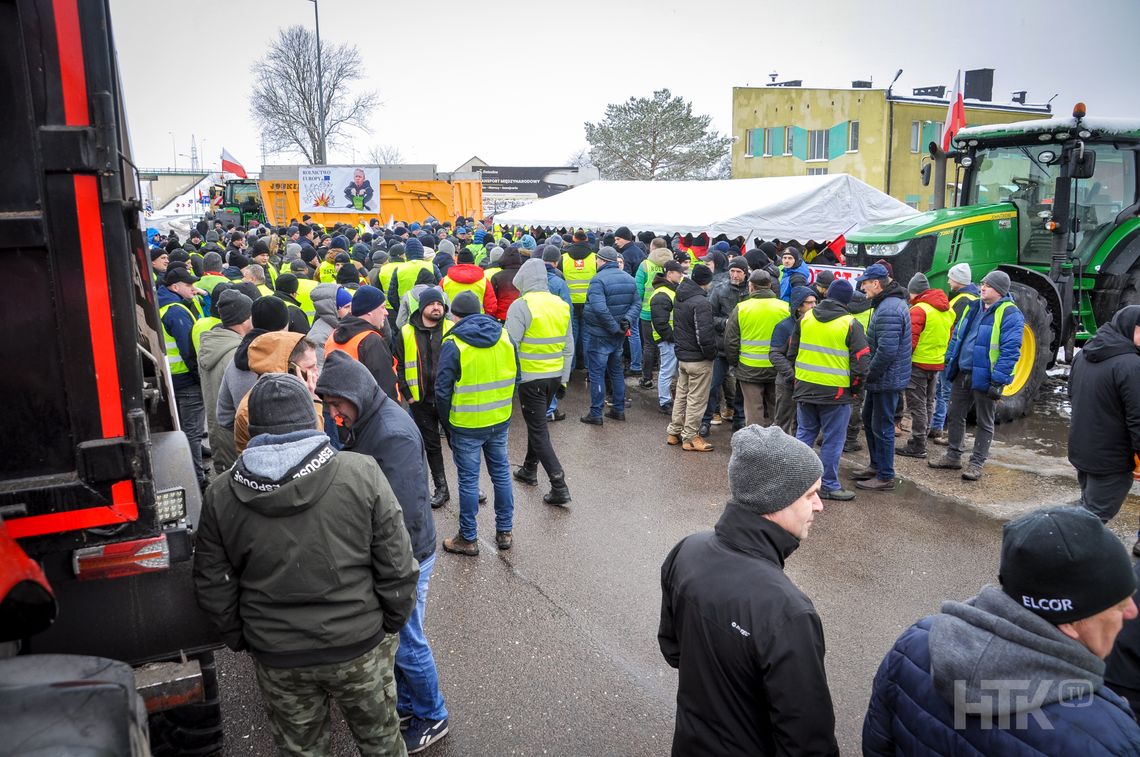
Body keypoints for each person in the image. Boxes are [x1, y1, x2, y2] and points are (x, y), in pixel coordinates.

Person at [193, 374, 418, 757]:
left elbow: (213, 584)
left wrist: (244, 638)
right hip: (359, 645)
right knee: (382, 744)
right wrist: (388, 624)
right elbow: (397, 563)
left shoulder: (221, 494)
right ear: (311, 419)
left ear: (253, 428)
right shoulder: (360, 473)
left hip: (278, 655)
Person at [863, 506, 1140, 754]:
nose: (1132, 612)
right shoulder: (1110, 738)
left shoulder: (918, 642)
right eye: (1117, 606)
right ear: (1070, 622)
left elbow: (878, 744)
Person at [659, 425, 838, 756]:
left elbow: (673, 650)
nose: (819, 506)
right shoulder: (788, 612)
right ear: (776, 499)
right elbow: (808, 742)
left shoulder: (687, 551)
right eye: (810, 494)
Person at [316, 352, 450, 754]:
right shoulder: (371, 418)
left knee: (408, 642)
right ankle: (410, 704)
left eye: (337, 404)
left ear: (353, 393)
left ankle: (432, 715)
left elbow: (405, 513)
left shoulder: (390, 432)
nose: (336, 415)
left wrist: (393, 570)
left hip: (406, 557)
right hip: (398, 554)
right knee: (400, 640)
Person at [435, 291, 519, 556]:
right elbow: (518, 375)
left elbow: (442, 390)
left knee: (469, 481)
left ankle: (468, 538)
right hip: (499, 419)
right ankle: (505, 531)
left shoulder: (454, 343)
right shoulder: (505, 335)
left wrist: (446, 423)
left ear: (455, 316)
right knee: (502, 474)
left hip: (467, 423)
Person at [929, 270, 1023, 481]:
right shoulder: (973, 307)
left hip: (986, 376)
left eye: (987, 285)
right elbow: (958, 337)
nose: (982, 288)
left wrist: (998, 380)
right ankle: (953, 456)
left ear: (999, 290)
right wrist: (950, 361)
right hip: (963, 371)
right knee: (955, 414)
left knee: (984, 421)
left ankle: (976, 463)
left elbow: (1011, 351)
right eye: (982, 283)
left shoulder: (1010, 313)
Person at [789, 279, 869, 501]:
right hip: (836, 393)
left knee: (804, 435)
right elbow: (861, 364)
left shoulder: (806, 318)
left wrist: (798, 380)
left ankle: (798, 482)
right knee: (833, 440)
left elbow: (792, 352)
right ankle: (828, 485)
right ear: (847, 300)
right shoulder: (850, 324)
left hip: (805, 387)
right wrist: (855, 391)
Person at [506, 259, 573, 505]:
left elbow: (510, 344)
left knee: (538, 430)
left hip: (530, 378)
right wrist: (564, 379)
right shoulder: (560, 304)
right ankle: (528, 469)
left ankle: (559, 484)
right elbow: (569, 346)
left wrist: (509, 379)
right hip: (554, 376)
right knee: (538, 425)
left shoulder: (520, 305)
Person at [1068, 306, 1140, 535]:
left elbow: (1072, 395)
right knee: (1093, 518)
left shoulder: (1084, 354)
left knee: (1087, 509)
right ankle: (1062, 559)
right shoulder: (1130, 365)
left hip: (1083, 450)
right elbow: (1137, 417)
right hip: (1112, 459)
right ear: (1129, 328)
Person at [851, 263, 912, 492]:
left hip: (886, 378)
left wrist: (868, 373)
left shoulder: (888, 308)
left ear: (876, 283)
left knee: (882, 426)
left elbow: (886, 350)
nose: (863, 288)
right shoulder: (887, 303)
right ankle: (876, 466)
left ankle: (885, 475)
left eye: (865, 284)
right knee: (869, 419)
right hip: (885, 377)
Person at [393, 287, 453, 509]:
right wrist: (408, 396)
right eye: (431, 304)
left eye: (439, 304)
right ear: (422, 307)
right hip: (420, 402)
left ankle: (471, 487)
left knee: (459, 444)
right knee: (432, 447)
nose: (436, 307)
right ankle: (442, 488)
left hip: (448, 400)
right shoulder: (407, 332)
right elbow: (398, 365)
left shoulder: (451, 328)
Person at [158, 266, 207, 488]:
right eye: (189, 285)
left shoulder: (162, 306)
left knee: (184, 430)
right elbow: (188, 350)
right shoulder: (176, 311)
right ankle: (197, 480)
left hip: (172, 379)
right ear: (175, 287)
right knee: (193, 433)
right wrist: (200, 378)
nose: (193, 289)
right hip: (187, 381)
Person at [896, 272, 954, 459]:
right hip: (936, 363)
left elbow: (909, 341)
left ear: (915, 292)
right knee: (929, 402)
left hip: (918, 364)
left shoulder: (919, 310)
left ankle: (918, 443)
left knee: (917, 405)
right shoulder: (948, 310)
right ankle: (922, 437)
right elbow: (950, 337)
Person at [580, 247, 640, 425]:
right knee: (616, 371)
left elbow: (599, 308)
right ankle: (618, 409)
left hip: (600, 334)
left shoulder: (598, 280)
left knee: (597, 373)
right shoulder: (629, 278)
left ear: (602, 260)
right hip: (618, 335)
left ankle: (596, 413)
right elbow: (636, 303)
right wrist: (626, 322)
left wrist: (614, 327)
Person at [197, 289, 253, 474]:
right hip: (234, 441)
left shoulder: (213, 345)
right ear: (245, 319)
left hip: (219, 437)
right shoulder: (236, 355)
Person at [667, 265, 718, 451]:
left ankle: (674, 431)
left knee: (681, 395)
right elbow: (704, 335)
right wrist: (711, 354)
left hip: (683, 355)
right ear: (706, 282)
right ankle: (690, 437)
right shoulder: (701, 302)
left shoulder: (680, 295)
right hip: (698, 358)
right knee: (696, 399)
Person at [725, 270, 785, 427]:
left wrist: (734, 363)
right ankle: (776, 445)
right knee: (775, 408)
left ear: (751, 286)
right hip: (776, 367)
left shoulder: (742, 308)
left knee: (753, 411)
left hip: (748, 367)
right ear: (770, 286)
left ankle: (756, 446)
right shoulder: (785, 308)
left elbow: (731, 340)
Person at [929, 263, 981, 445]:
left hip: (951, 354)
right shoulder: (969, 298)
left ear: (958, 280)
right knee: (944, 392)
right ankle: (937, 427)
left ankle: (942, 430)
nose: (948, 281)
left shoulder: (963, 301)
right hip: (953, 353)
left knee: (945, 392)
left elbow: (954, 330)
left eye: (950, 278)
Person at [324, 285, 399, 402]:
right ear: (369, 312)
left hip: (340, 412)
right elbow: (385, 387)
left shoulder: (333, 335)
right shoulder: (371, 341)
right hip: (368, 414)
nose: (386, 313)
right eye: (382, 307)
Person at [703, 258, 750, 434]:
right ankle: (705, 420)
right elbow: (710, 315)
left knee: (741, 387)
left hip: (744, 347)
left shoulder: (751, 291)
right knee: (713, 385)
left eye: (739, 271)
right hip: (721, 345)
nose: (735, 275)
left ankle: (739, 420)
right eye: (732, 271)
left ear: (745, 273)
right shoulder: (720, 289)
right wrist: (727, 322)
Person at [770, 286, 817, 435]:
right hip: (787, 383)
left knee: (802, 424)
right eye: (810, 303)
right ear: (798, 306)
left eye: (815, 302)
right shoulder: (784, 327)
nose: (814, 306)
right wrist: (792, 376)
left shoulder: (815, 325)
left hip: (806, 383)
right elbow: (775, 355)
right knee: (782, 424)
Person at [635, 238, 672, 389]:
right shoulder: (671, 264)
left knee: (649, 346)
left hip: (647, 311)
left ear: (652, 248)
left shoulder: (645, 265)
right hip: (668, 313)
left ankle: (647, 378)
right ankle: (665, 377)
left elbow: (638, 289)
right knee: (666, 345)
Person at [650, 261, 684, 414]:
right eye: (679, 272)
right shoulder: (663, 293)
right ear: (669, 273)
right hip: (668, 340)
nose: (681, 275)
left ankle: (671, 400)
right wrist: (672, 338)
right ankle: (665, 402)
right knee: (667, 371)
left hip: (672, 338)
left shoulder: (668, 290)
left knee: (672, 371)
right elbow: (660, 322)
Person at [562, 229, 597, 368]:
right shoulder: (595, 258)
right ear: (587, 240)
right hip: (589, 302)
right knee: (587, 336)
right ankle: (588, 368)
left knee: (572, 336)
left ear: (573, 239)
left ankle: (570, 368)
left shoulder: (563, 258)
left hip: (570, 302)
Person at [441, 249, 497, 315]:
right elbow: (491, 307)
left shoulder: (445, 280)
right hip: (477, 320)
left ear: (457, 262)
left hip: (452, 320)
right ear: (473, 263)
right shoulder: (484, 281)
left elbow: (439, 301)